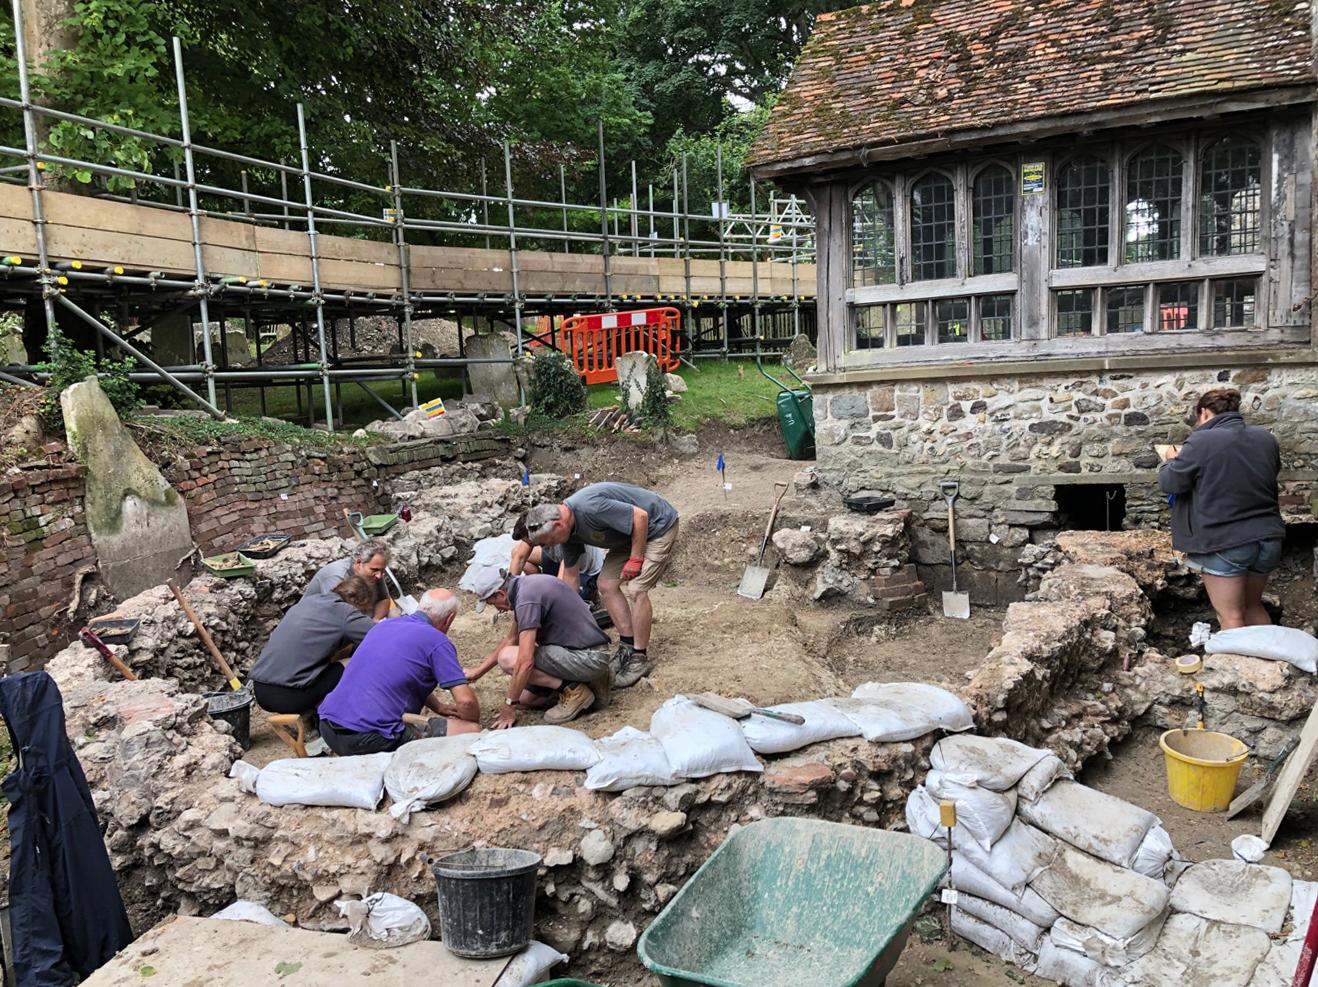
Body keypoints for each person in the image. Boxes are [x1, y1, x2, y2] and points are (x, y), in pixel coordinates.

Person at [516, 482, 679, 688]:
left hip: (658, 526)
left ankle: (639, 657)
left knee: (637, 589)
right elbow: (571, 578)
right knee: (606, 585)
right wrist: (564, 616)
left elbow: (640, 517)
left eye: (548, 541)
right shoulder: (567, 534)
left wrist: (636, 559)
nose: (550, 547)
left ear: (557, 526)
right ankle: (627, 646)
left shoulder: (589, 507)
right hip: (628, 536)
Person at [1158, 388, 1285, 630]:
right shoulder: (1266, 439)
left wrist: (1171, 460)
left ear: (1204, 413)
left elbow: (1170, 483)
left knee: (1232, 616)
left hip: (1225, 543)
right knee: (1253, 607)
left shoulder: (1201, 440)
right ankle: (1268, 666)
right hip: (1268, 538)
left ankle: (1240, 669)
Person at [317, 589, 479, 755]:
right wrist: (471, 720)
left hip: (328, 727)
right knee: (471, 730)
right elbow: (466, 702)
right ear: (449, 619)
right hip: (366, 739)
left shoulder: (383, 626)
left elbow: (402, 676)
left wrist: (438, 706)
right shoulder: (437, 641)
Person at [464, 565, 613, 728]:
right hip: (580, 651)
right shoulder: (526, 587)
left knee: (508, 658)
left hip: (588, 657)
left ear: (500, 594)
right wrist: (478, 671)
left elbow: (525, 661)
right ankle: (590, 682)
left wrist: (509, 706)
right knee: (526, 699)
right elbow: (511, 639)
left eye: (492, 603)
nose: (497, 609)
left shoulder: (527, 599)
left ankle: (574, 690)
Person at [249, 575, 376, 716]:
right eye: (363, 610)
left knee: (337, 655)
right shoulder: (345, 612)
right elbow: (383, 637)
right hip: (289, 697)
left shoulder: (307, 602)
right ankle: (339, 713)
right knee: (354, 663)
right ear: (357, 602)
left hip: (261, 691)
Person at [304, 540, 394, 620]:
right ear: (359, 563)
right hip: (324, 621)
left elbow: (384, 599)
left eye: (382, 570)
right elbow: (338, 617)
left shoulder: (375, 573)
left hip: (361, 617)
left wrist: (375, 621)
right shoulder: (337, 576)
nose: (379, 575)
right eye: (375, 570)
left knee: (395, 615)